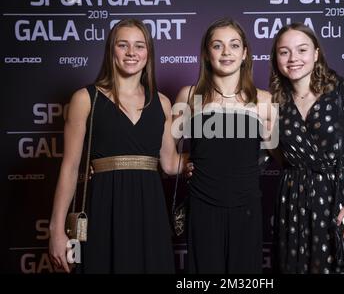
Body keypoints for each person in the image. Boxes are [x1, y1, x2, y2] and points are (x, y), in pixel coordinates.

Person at [49, 19, 181, 273]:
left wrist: (216, 155)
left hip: (150, 212)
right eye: (123, 45)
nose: (132, 52)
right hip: (102, 210)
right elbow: (70, 167)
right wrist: (56, 230)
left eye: (139, 46)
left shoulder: (162, 103)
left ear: (148, 53)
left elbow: (170, 163)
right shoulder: (86, 99)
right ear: (112, 51)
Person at [269, 22, 344, 274]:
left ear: (316, 53)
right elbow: (269, 154)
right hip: (292, 204)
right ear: (276, 57)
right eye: (284, 51)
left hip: (337, 201)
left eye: (302, 50)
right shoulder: (274, 103)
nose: (293, 58)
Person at [175, 18, 274, 273]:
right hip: (202, 206)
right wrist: (185, 162)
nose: (226, 52)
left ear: (245, 54)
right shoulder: (189, 96)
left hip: (247, 208)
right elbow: (165, 157)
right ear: (207, 54)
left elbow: (282, 156)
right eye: (217, 46)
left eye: (234, 45)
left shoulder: (264, 100)